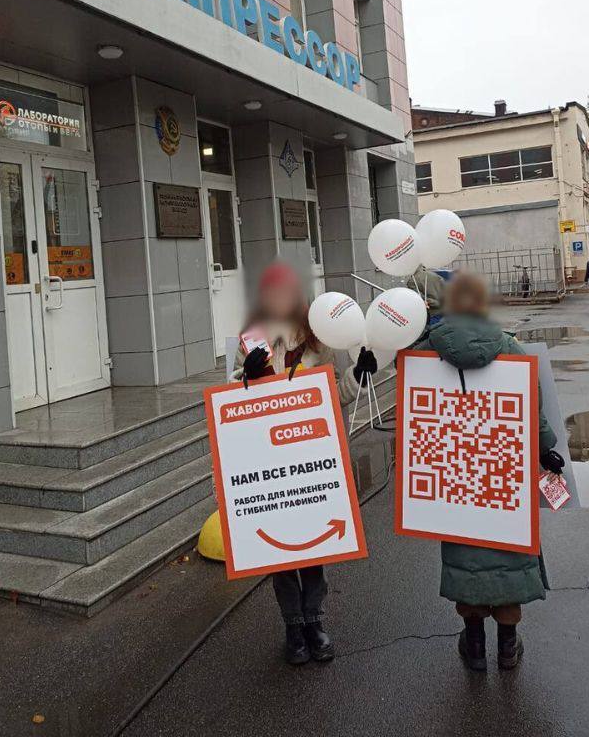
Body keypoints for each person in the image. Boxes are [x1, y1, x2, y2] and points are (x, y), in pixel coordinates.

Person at [413, 272, 566, 671]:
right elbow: (533, 409)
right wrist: (546, 450)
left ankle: (475, 645)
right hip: (504, 476)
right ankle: (508, 645)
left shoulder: (426, 352)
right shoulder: (511, 348)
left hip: (454, 478)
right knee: (509, 552)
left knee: (468, 555)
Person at [234, 261, 379, 666]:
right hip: (269, 460)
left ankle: (315, 622)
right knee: (281, 553)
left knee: (314, 546)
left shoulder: (319, 343)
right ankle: (292, 626)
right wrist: (243, 379)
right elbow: (231, 400)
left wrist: (357, 376)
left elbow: (337, 395)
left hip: (314, 460)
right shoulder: (250, 341)